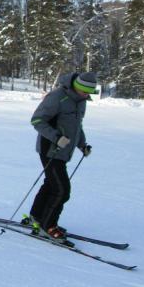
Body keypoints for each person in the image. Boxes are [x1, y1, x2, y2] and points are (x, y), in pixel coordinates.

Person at [23, 72, 97, 245]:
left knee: (51, 184)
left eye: (89, 93)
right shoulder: (57, 97)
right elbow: (37, 120)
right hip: (50, 150)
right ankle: (47, 225)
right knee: (62, 190)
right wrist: (56, 137)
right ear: (77, 87)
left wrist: (82, 145)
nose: (87, 95)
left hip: (64, 151)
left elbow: (76, 126)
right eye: (84, 91)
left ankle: (36, 216)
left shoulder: (81, 101)